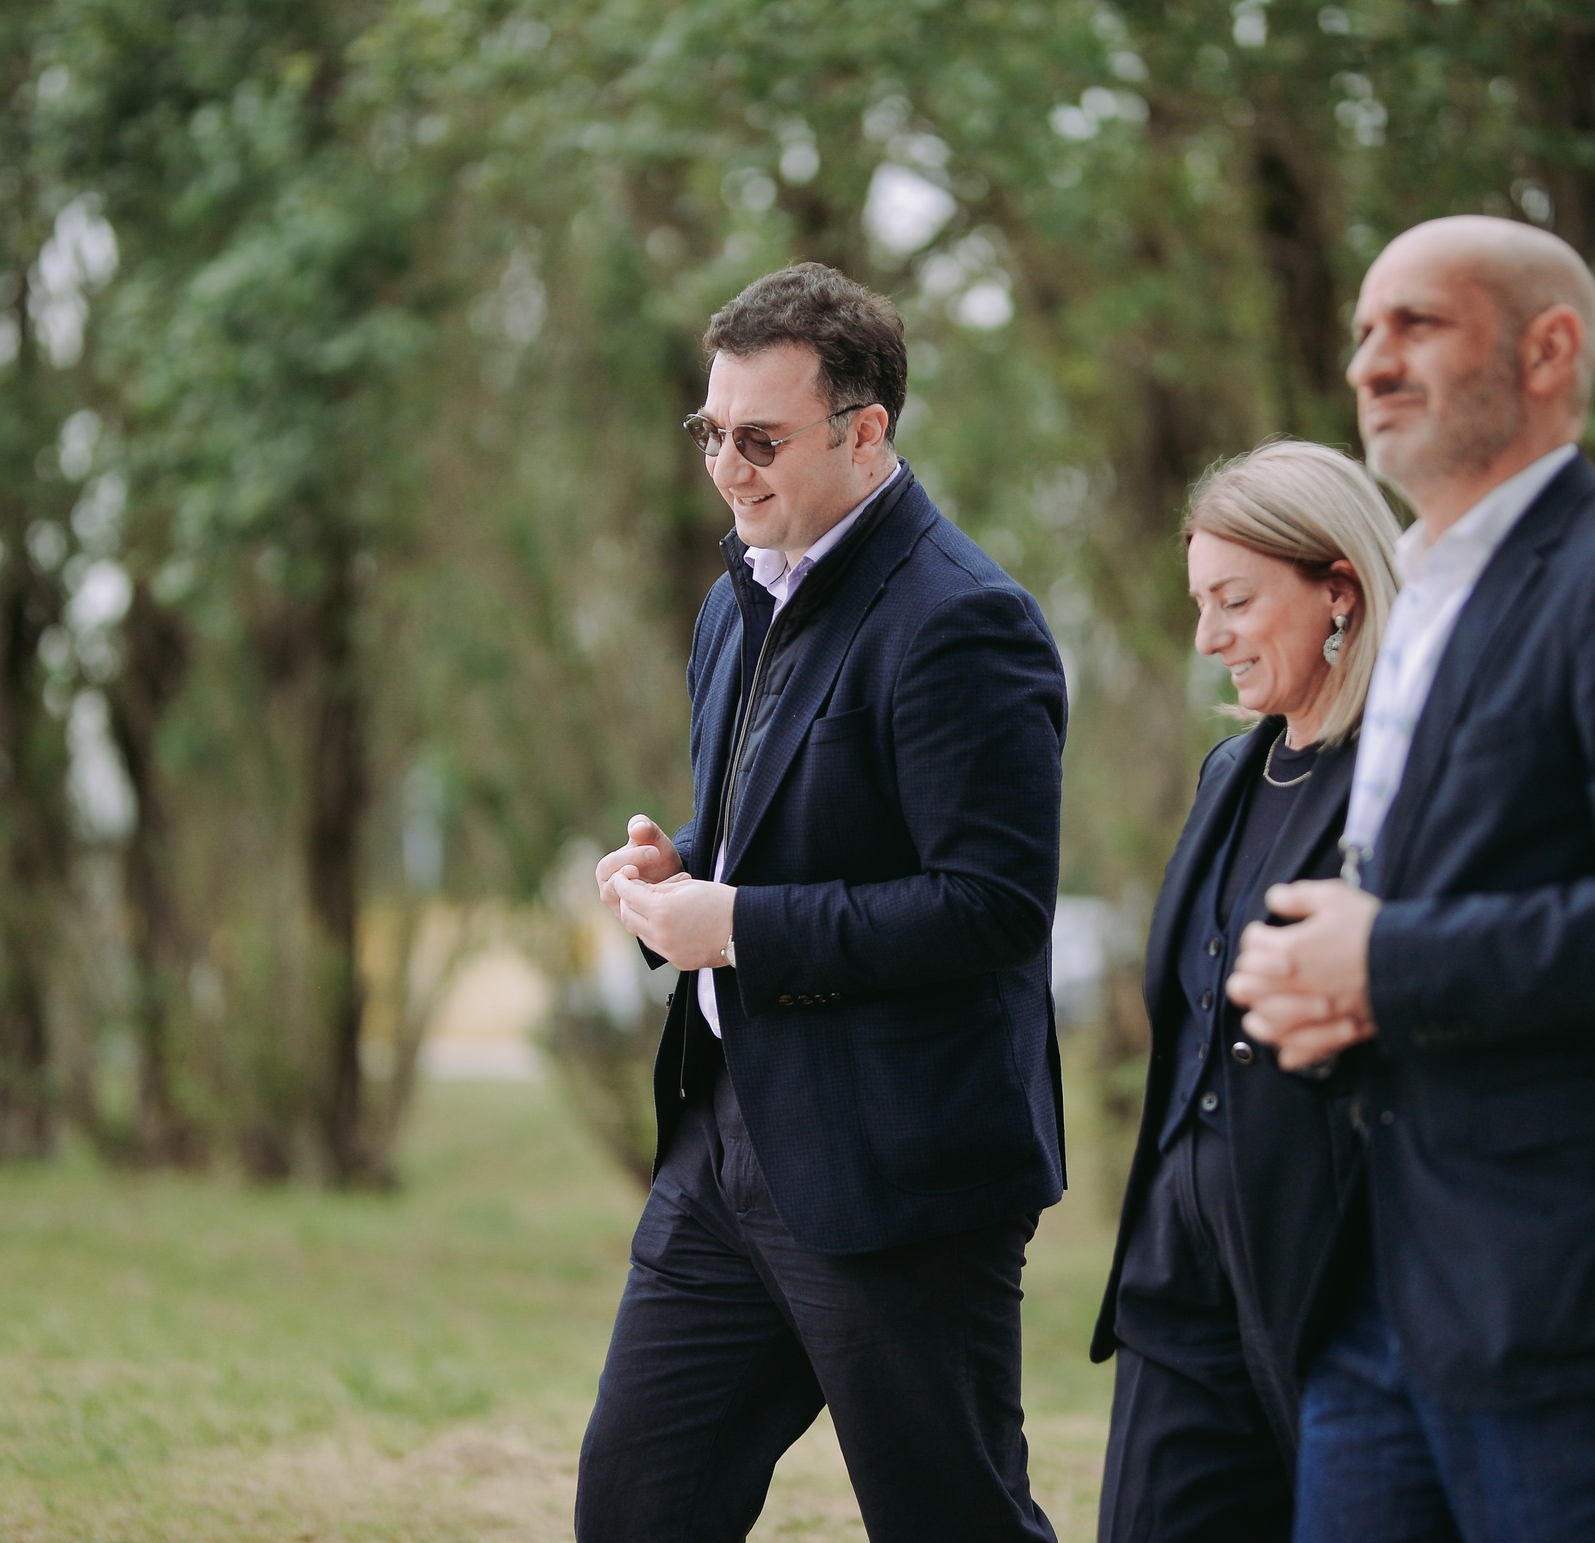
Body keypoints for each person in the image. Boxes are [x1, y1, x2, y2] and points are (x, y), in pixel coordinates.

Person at [1224, 216, 1595, 1543]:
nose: (1369, 361)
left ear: (1548, 351)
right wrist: (1329, 993)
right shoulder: (1425, 594)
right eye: (1362, 331)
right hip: (1386, 1286)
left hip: (1587, 1294)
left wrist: (1382, 962)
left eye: (1417, 324)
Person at [575, 263, 1066, 1543]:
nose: (726, 469)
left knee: (952, 1522)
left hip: (898, 1166)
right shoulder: (734, 600)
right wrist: (681, 867)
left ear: (864, 432)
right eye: (710, 433)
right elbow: (786, 829)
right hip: (720, 1149)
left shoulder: (965, 620)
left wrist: (734, 926)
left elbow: (991, 905)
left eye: (760, 439)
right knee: (631, 1512)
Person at [1092, 441, 1403, 1542]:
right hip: (1175, 1274)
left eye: (1234, 600)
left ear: (1338, 590)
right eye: (1199, 604)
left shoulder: (1408, 779)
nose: (1207, 636)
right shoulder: (1229, 772)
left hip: (1332, 1271)